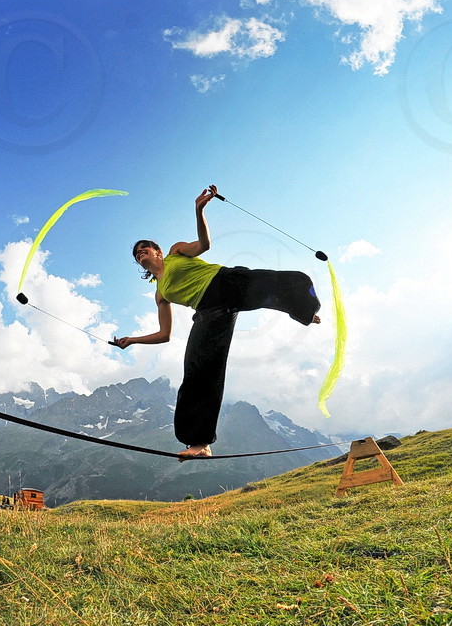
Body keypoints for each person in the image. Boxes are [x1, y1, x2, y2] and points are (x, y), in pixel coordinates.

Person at [113, 185, 321, 460]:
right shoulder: (160, 294)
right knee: (198, 372)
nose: (141, 253)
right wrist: (133, 340)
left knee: (284, 281)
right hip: (210, 311)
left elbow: (204, 245)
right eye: (137, 253)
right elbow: (165, 334)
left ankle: (303, 310)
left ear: (158, 252)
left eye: (146, 248)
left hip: (225, 282)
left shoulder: (177, 252)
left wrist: (199, 211)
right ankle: (200, 443)